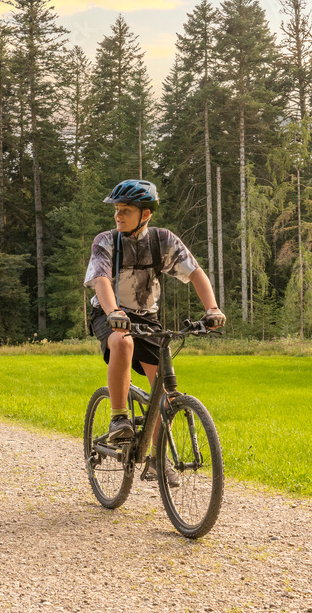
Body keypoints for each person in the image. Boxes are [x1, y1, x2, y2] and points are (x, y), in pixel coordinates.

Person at [84, 179, 225, 486]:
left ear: (145, 214)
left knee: (163, 387)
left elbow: (195, 272)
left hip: (147, 318)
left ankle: (157, 460)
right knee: (122, 342)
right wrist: (114, 312)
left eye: (125, 210)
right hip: (109, 312)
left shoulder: (163, 241)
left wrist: (212, 309)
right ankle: (119, 417)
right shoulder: (106, 241)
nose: (118, 215)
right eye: (117, 210)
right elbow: (101, 281)